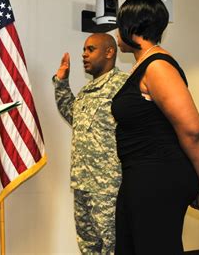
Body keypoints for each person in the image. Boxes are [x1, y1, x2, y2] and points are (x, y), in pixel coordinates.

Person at [111, 0, 199, 255]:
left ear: (131, 28)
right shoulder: (143, 66)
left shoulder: (157, 67)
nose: (115, 32)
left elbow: (193, 131)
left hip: (158, 176)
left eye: (119, 24)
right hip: (140, 176)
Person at [53, 33, 129, 254]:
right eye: (84, 50)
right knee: (88, 246)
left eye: (91, 49)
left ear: (109, 52)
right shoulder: (87, 90)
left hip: (108, 187)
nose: (84, 55)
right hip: (82, 183)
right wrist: (61, 83)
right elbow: (75, 118)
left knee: (113, 246)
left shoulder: (123, 86)